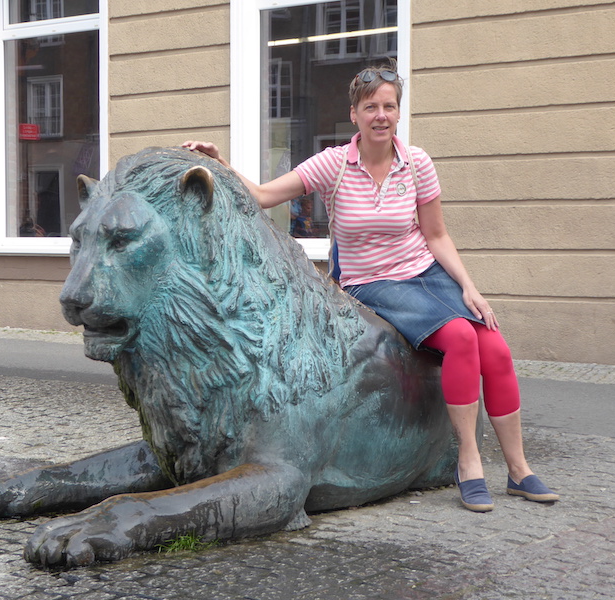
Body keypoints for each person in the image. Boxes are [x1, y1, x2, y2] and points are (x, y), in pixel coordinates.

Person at [182, 63, 559, 513]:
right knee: (460, 339)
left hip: (426, 274)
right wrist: (218, 163)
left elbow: (436, 235)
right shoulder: (333, 164)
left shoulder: (416, 163)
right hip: (371, 282)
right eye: (371, 107)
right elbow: (263, 196)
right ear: (355, 114)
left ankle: (518, 470)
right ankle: (469, 460)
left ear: (398, 112)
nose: (381, 115)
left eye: (389, 106)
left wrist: (469, 287)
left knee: (494, 346)